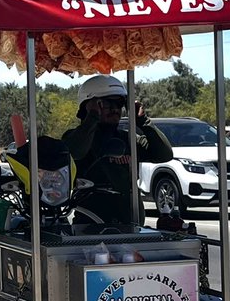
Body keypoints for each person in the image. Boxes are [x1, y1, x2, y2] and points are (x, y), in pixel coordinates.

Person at [60, 74, 173, 226]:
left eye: (120, 104)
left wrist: (143, 121)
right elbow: (76, 151)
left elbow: (164, 154)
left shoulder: (128, 139)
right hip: (91, 225)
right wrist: (92, 116)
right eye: (106, 104)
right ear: (88, 105)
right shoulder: (76, 137)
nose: (115, 110)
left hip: (131, 223)